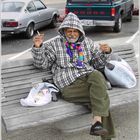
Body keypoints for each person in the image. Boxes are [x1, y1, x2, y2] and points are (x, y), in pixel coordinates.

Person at [32, 12, 115, 140]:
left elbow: (97, 64)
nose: (72, 34)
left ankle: (97, 121)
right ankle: (101, 129)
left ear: (80, 32)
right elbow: (42, 64)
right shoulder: (54, 44)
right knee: (101, 98)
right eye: (69, 31)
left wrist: (106, 52)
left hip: (87, 77)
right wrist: (38, 48)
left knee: (97, 76)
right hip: (68, 84)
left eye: (75, 31)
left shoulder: (87, 43)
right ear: (63, 31)